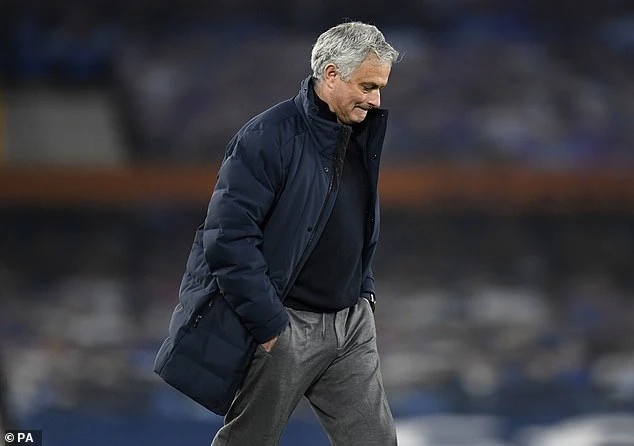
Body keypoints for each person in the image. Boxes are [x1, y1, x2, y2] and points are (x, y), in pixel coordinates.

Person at [154, 21, 399, 445]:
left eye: (379, 88)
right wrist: (269, 325)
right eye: (368, 86)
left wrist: (365, 291)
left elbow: (355, 223)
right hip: (287, 324)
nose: (375, 100)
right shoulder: (267, 137)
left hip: (351, 325)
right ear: (331, 74)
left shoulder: (360, 133)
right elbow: (227, 238)